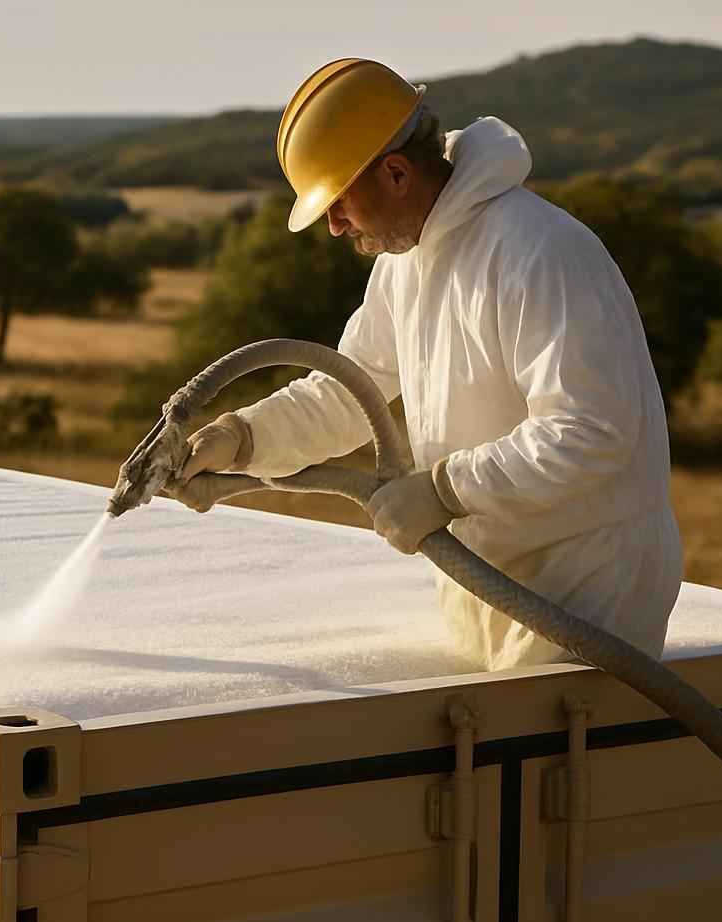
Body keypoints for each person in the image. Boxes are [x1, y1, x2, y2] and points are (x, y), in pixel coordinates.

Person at [171, 58, 683, 670]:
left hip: (584, 585)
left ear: (394, 173)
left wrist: (445, 489)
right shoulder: (406, 265)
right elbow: (348, 392)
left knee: (547, 765)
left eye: (337, 202)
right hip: (485, 579)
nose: (334, 227)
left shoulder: (538, 252)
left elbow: (590, 433)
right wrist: (241, 438)